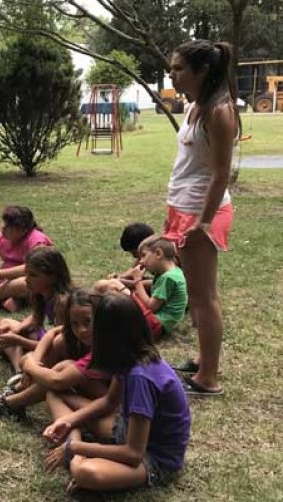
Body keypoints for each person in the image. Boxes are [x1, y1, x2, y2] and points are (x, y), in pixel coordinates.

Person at [43, 294, 191, 494]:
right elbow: (109, 401)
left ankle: (76, 458)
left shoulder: (141, 376)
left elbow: (134, 453)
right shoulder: (129, 356)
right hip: (125, 429)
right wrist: (70, 420)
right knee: (56, 394)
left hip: (153, 457)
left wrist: (78, 449)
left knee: (86, 473)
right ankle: (73, 446)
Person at [164, 40, 238, 396]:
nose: (172, 74)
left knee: (205, 297)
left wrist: (204, 223)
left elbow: (221, 173)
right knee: (196, 295)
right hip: (183, 208)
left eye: (179, 69)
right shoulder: (196, 106)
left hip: (202, 214)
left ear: (202, 70)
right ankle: (204, 360)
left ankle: (208, 378)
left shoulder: (219, 112)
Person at [0, 289, 109, 421]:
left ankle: (11, 403)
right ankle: (18, 390)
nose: (81, 329)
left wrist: (30, 366)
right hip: (98, 391)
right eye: (75, 323)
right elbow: (52, 333)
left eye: (87, 322)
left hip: (111, 404)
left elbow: (58, 380)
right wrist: (35, 360)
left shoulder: (106, 344)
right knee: (60, 342)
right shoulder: (80, 329)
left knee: (61, 373)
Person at [0, 246, 72, 374]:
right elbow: (35, 317)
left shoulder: (63, 303)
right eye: (26, 274)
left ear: (52, 276)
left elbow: (55, 347)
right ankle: (19, 369)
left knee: (22, 351)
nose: (26, 279)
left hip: (54, 353)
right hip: (40, 339)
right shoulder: (41, 294)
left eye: (33, 275)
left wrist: (18, 340)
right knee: (6, 324)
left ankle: (21, 365)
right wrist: (18, 330)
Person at [96, 236, 188, 340]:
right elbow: (145, 284)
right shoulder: (172, 272)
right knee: (110, 284)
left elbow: (151, 306)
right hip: (154, 324)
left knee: (108, 285)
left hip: (154, 326)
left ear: (158, 253)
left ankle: (94, 315)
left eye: (144, 256)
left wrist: (136, 280)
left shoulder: (169, 278)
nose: (141, 262)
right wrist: (121, 280)